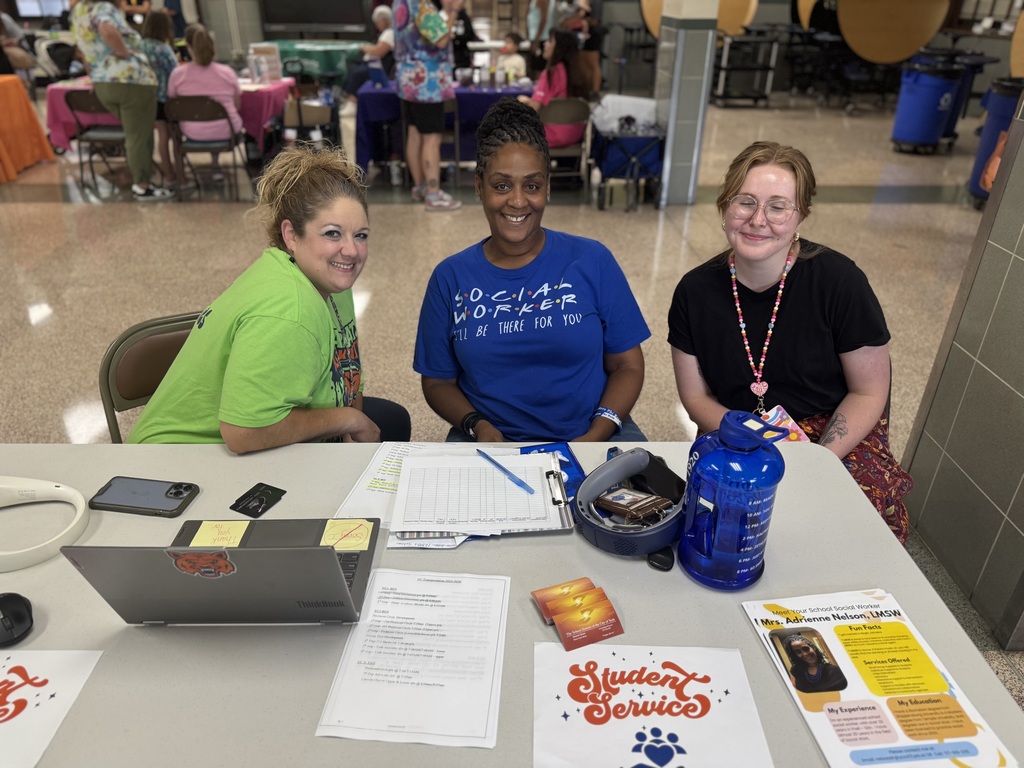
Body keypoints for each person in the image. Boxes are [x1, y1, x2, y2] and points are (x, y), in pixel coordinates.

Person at [667, 140, 913, 543]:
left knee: (848, 529)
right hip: (735, 429)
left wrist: (816, 458)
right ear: (724, 206)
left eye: (778, 206)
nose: (758, 220)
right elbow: (696, 400)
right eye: (744, 202)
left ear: (801, 216)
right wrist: (756, 444)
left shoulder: (840, 282)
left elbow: (870, 391)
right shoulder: (694, 291)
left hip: (831, 433)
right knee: (721, 528)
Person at [414, 97, 649, 442]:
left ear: (548, 188)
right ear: (480, 187)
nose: (519, 201)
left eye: (533, 186)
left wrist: (596, 435)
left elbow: (627, 366)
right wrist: (477, 426)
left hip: (594, 432)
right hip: (487, 440)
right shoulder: (450, 278)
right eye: (502, 185)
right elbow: (437, 382)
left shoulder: (592, 259)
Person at [128, 143, 383, 451]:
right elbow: (244, 433)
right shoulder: (290, 308)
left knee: (393, 421)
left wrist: (350, 420)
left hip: (259, 429)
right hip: (180, 461)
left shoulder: (327, 277)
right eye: (332, 233)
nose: (352, 250)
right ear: (291, 235)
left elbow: (348, 373)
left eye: (361, 235)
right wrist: (347, 420)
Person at [71, 0, 173, 200]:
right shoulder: (104, 8)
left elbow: (84, 50)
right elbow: (107, 29)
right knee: (139, 137)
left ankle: (143, 176)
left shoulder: (79, 12)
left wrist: (96, 74)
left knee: (133, 134)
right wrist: (124, 52)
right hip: (130, 80)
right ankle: (143, 185)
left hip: (102, 82)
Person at [393, 0, 463, 212]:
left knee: (415, 134)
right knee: (432, 138)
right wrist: (453, 11)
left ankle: (420, 187)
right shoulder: (421, 5)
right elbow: (441, 39)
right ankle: (433, 194)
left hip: (407, 78)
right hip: (427, 82)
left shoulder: (400, 3)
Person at [167, 23, 241, 182]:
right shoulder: (227, 73)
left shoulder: (177, 75)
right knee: (220, 118)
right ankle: (216, 165)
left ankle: (182, 177)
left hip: (192, 132)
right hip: (226, 131)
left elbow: (173, 105)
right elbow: (237, 105)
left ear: (188, 46)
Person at [517, 29, 589, 148]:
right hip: (575, 136)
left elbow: (533, 109)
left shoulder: (550, 74)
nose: (545, 44)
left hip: (549, 136)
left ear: (560, 48)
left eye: (550, 41)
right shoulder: (580, 74)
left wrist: (522, 102)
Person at [138, 11, 178, 187]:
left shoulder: (138, 46)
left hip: (145, 96)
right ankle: (173, 174)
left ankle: (165, 173)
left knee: (157, 135)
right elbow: (175, 73)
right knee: (168, 136)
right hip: (164, 97)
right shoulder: (163, 48)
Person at [341, 4, 394, 116]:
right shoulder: (383, 34)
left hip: (381, 66)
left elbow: (378, 52)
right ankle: (351, 100)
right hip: (372, 63)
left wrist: (366, 48)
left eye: (378, 22)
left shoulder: (390, 33)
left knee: (357, 73)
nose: (377, 25)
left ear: (385, 20)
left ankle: (353, 102)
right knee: (353, 68)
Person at [782, 635, 847, 694]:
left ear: (813, 647)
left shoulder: (836, 671)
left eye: (806, 648)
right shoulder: (795, 671)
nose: (804, 654)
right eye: (798, 652)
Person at [450, 6, 479, 70]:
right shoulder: (439, 15)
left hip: (461, 55)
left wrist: (456, 37)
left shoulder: (463, 17)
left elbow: (470, 34)